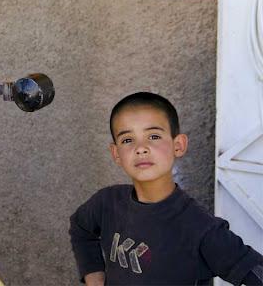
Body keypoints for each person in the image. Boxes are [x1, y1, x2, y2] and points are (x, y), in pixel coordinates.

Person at [69, 92, 263, 286]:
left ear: (178, 145)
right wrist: (94, 277)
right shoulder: (107, 202)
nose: (141, 148)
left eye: (153, 136)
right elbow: (80, 227)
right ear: (116, 153)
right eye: (128, 140)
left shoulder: (200, 228)